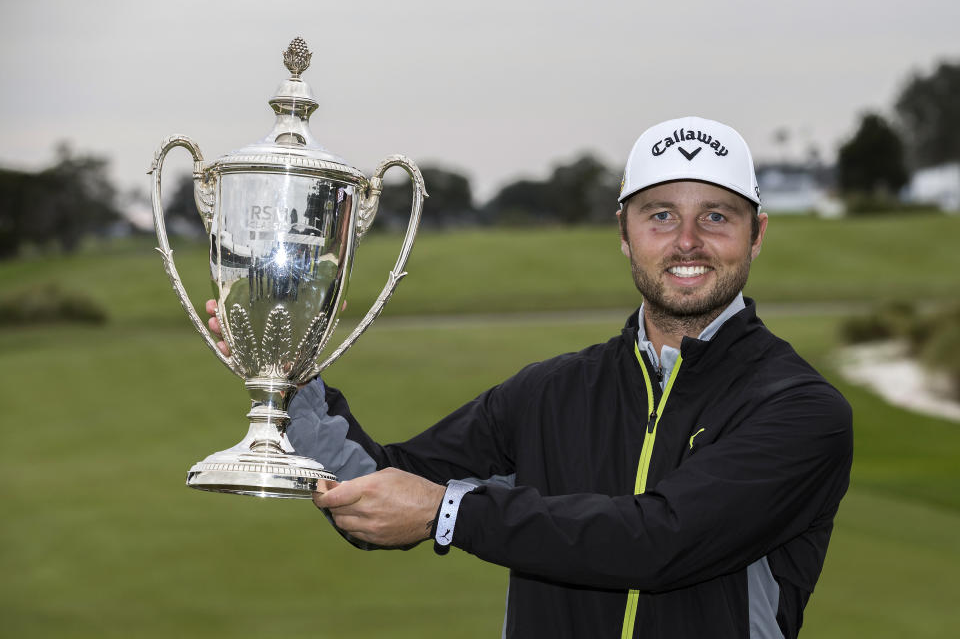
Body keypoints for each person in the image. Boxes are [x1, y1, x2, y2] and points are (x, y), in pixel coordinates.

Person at [206, 116, 853, 639]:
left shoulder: (798, 410)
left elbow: (660, 542)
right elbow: (380, 491)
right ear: (624, 234)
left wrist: (451, 512)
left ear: (757, 233)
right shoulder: (550, 393)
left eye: (716, 216)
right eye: (659, 215)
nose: (686, 240)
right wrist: (291, 370)